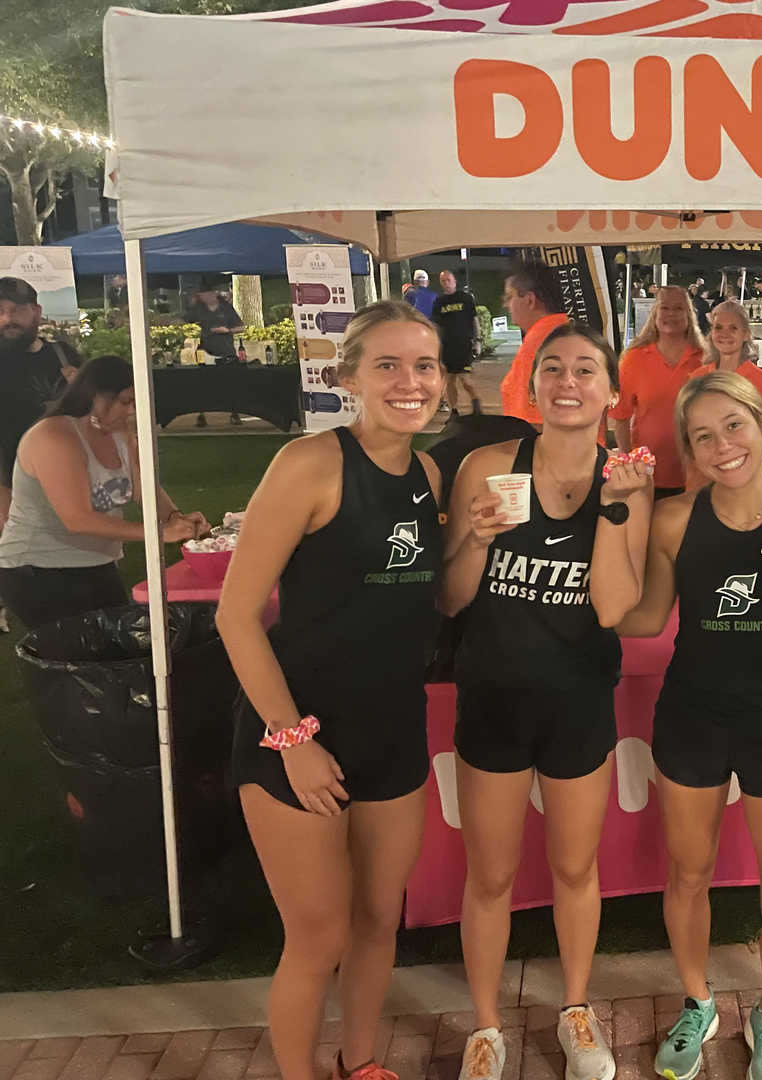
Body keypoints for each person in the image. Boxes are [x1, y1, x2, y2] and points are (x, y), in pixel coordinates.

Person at [216, 301, 445, 1080]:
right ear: (349, 378)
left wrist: (475, 536)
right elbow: (236, 615)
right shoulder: (310, 463)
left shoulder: (428, 475)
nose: (410, 382)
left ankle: (361, 1063)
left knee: (379, 921)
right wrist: (293, 741)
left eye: (424, 365)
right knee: (319, 937)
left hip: (393, 731)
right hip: (297, 733)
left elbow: (427, 597)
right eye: (388, 365)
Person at [618, 371, 762, 1080]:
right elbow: (643, 619)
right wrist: (610, 533)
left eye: (733, 426)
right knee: (688, 875)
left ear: (761, 425)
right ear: (688, 451)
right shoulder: (673, 520)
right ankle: (698, 1002)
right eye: (702, 437)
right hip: (693, 717)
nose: (722, 447)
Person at [439, 322, 653, 1080]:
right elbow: (451, 598)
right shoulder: (486, 466)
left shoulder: (627, 480)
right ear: (531, 386)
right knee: (490, 876)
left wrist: (616, 509)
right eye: (552, 368)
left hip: (578, 700)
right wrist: (475, 539)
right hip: (494, 697)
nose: (568, 382)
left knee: (574, 868)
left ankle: (575, 1009)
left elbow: (612, 607)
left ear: (611, 391)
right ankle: (486, 1026)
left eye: (585, 369)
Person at [0, 354, 207, 630]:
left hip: (97, 562)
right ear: (95, 395)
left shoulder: (120, 434)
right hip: (37, 569)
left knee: (119, 644)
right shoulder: (54, 436)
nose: (131, 411)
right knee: (76, 650)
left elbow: (145, 489)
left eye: (136, 403)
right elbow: (77, 519)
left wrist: (174, 517)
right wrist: (158, 532)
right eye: (125, 402)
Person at [613, 285, 706, 498]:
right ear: (655, 313)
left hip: (697, 476)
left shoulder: (704, 359)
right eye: (665, 308)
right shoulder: (634, 358)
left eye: (678, 308)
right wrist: (629, 465)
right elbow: (620, 419)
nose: (671, 314)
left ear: (689, 315)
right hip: (646, 477)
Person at [0, 277, 66, 531]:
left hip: (62, 476)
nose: (7, 319)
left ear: (36, 312)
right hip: (9, 483)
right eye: (1, 311)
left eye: (17, 310)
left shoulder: (63, 356)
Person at [499, 263, 570, 425]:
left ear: (530, 300)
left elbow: (531, 419)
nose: (506, 305)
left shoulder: (538, 343)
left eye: (509, 297)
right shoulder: (573, 330)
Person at [693, 299, 762, 410]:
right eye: (718, 327)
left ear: (746, 334)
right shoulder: (697, 378)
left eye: (733, 328)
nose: (724, 334)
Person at [433, 269, 482, 415]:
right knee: (450, 380)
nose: (446, 283)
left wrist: (478, 340)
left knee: (466, 380)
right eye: (443, 281)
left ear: (454, 281)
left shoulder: (465, 298)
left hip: (464, 345)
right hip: (447, 347)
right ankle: (454, 411)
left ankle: (476, 404)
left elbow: (474, 320)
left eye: (448, 280)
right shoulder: (439, 302)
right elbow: (437, 325)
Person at [186, 277, 245, 363]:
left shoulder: (226, 308)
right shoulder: (199, 309)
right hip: (206, 355)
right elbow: (185, 320)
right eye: (201, 296)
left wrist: (227, 330)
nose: (203, 297)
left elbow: (241, 327)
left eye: (205, 295)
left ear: (213, 294)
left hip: (226, 354)